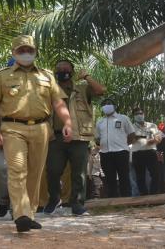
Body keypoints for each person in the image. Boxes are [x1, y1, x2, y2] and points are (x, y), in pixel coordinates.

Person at [0, 34, 73, 232]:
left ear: (35, 52)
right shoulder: (2, 76)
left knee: (35, 173)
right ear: (14, 53)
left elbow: (58, 102)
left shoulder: (47, 76)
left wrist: (67, 121)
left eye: (29, 50)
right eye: (21, 50)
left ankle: (29, 213)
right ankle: (21, 214)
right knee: (17, 169)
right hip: (12, 127)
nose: (26, 53)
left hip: (42, 128)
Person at [44, 59, 106, 215]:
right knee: (52, 170)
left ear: (72, 71)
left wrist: (87, 76)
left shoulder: (82, 90)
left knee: (79, 172)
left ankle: (77, 203)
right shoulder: (50, 90)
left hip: (79, 137)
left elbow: (100, 91)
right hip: (56, 137)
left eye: (65, 68)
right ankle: (54, 198)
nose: (62, 71)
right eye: (58, 68)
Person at [95, 98, 135, 198]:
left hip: (121, 152)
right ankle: (113, 201)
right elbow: (97, 138)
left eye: (109, 103)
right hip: (105, 153)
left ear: (115, 106)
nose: (106, 105)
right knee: (109, 178)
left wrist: (123, 145)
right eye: (104, 104)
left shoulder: (123, 118)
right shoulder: (100, 122)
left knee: (124, 177)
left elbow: (132, 134)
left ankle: (126, 200)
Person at [131, 107, 162, 195]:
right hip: (137, 153)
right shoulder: (131, 127)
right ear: (134, 116)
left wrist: (155, 140)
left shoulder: (152, 125)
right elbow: (128, 140)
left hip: (151, 152)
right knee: (140, 177)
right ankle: (143, 196)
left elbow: (159, 137)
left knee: (156, 174)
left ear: (144, 114)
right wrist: (135, 138)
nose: (139, 115)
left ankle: (153, 195)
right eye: (137, 114)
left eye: (141, 113)